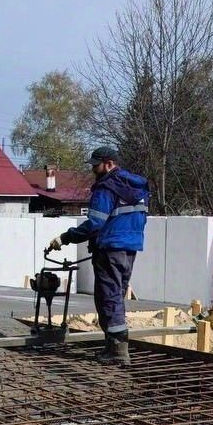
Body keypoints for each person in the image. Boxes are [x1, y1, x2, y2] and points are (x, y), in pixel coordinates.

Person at [46, 146, 149, 365]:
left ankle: (118, 353)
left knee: (107, 298)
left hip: (110, 248)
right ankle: (114, 347)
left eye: (96, 165)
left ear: (109, 164)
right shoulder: (135, 187)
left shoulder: (106, 188)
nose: (93, 169)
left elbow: (94, 223)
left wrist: (66, 237)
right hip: (129, 248)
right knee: (116, 296)